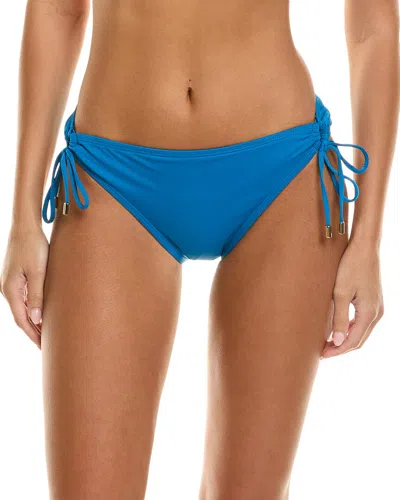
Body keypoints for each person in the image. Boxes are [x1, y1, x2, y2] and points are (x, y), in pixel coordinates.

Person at [1, 0, 398, 498]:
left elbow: (372, 25)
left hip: (282, 174)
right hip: (112, 177)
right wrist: (23, 221)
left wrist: (368, 240)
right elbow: (58, 10)